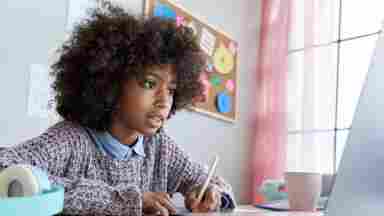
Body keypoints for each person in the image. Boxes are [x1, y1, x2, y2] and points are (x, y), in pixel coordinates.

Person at [0, 1, 236, 215]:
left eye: (172, 90)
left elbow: (210, 181)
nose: (164, 101)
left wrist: (209, 193)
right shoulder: (72, 139)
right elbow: (6, 169)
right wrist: (119, 199)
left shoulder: (159, 146)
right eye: (149, 83)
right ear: (110, 83)